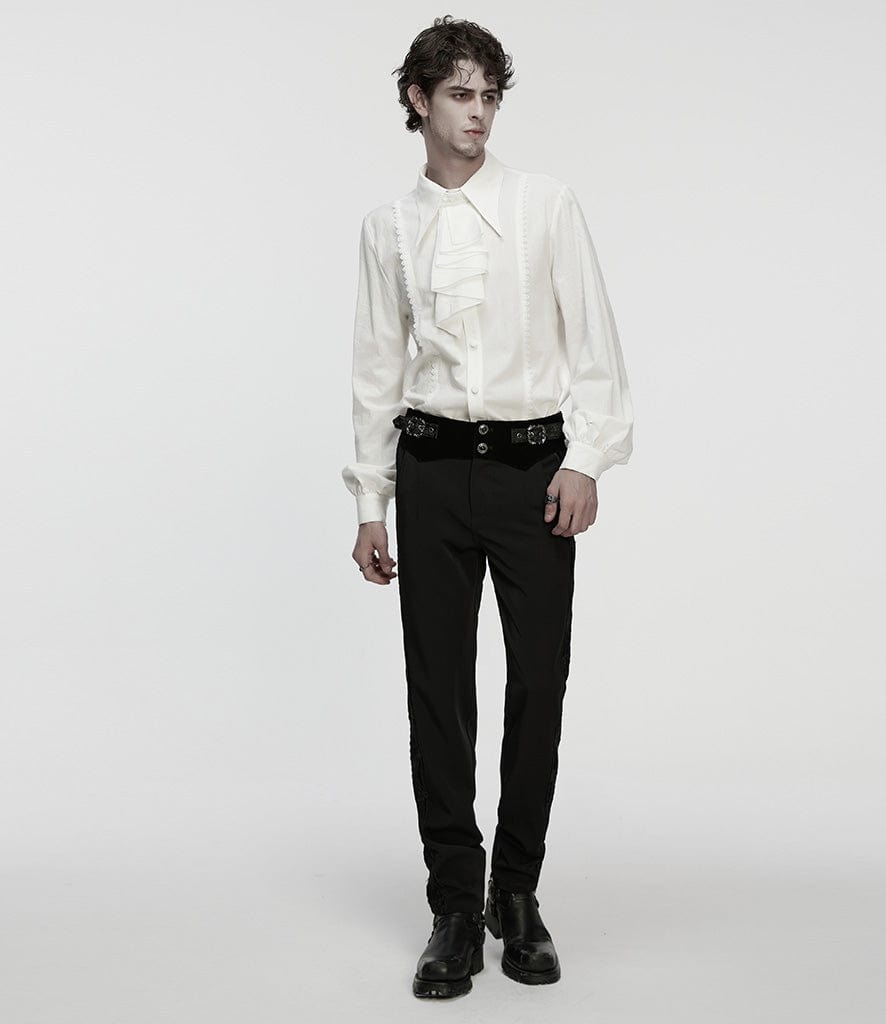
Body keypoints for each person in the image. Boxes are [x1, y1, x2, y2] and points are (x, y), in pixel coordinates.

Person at [342, 15, 634, 1000]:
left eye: (490, 96)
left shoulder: (545, 205)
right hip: (428, 470)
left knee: (538, 680)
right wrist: (371, 501)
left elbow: (595, 345)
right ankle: (455, 908)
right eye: (460, 94)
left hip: (529, 469)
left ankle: (517, 893)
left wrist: (585, 459)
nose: (478, 114)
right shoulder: (388, 227)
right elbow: (376, 368)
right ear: (418, 100)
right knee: (438, 690)